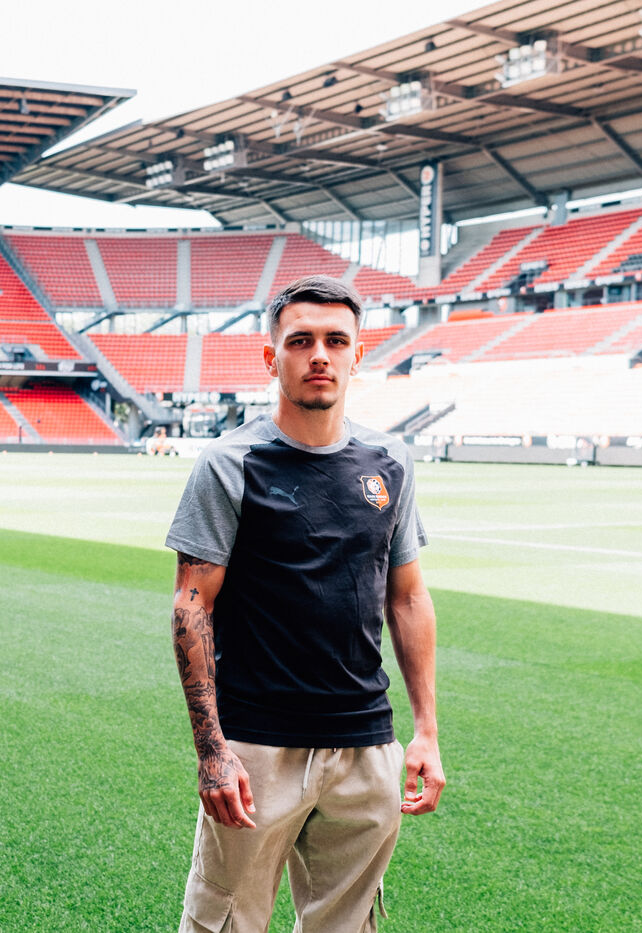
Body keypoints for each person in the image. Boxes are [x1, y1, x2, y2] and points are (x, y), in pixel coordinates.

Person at [167, 274, 443, 932]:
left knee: (348, 924)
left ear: (357, 355)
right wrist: (212, 749)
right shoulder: (231, 463)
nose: (320, 355)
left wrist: (426, 731)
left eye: (335, 341)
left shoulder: (390, 461)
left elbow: (408, 597)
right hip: (257, 747)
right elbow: (191, 606)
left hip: (365, 746)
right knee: (225, 921)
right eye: (301, 341)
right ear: (272, 357)